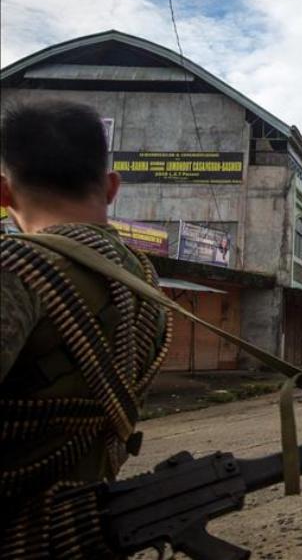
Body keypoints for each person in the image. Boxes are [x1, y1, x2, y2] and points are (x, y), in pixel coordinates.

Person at [0, 100, 171, 556]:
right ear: (112, 187)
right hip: (83, 533)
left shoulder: (17, 269)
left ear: (3, 193)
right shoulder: (143, 283)